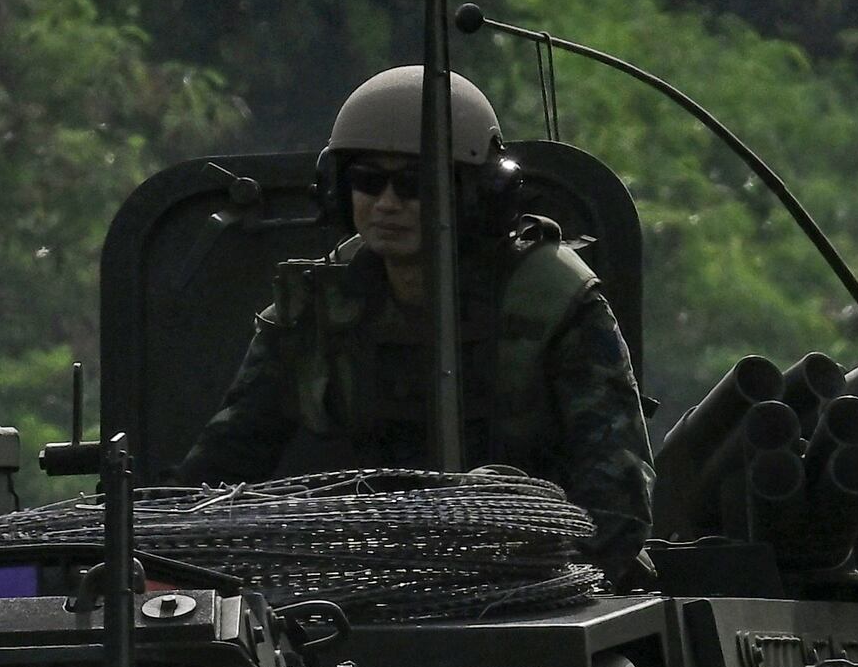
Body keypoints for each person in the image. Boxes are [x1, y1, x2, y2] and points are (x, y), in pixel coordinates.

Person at [183, 66, 651, 547]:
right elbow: (227, 455)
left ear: (477, 196)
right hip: (369, 560)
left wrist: (563, 572)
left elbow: (617, 498)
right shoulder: (321, 303)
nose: (387, 204)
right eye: (368, 182)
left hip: (534, 557)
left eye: (415, 185)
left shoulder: (551, 301)